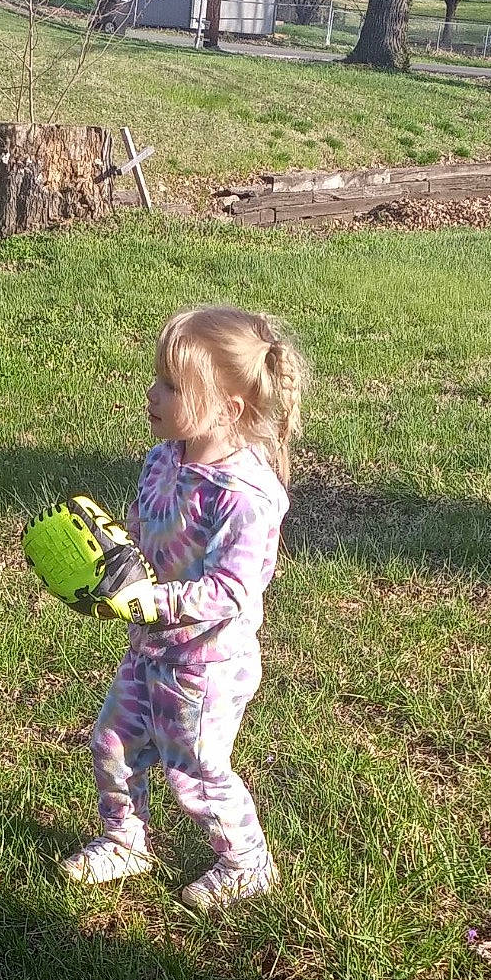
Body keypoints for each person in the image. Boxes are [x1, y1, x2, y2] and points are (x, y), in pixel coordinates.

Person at [59, 305, 304, 914]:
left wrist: (153, 601)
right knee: (113, 741)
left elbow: (231, 590)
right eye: (157, 379)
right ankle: (126, 842)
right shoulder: (165, 458)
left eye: (171, 385)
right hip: (151, 644)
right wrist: (113, 562)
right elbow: (146, 527)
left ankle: (247, 863)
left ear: (228, 410)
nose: (152, 393)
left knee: (195, 770)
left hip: (205, 664)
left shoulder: (244, 497)